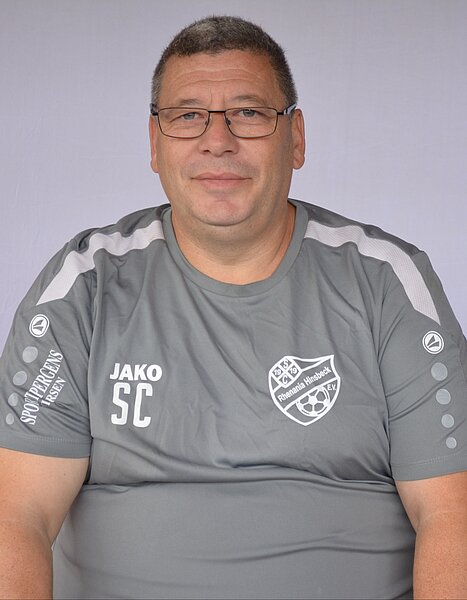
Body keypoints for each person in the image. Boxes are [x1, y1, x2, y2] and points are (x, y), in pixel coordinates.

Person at [0, 15, 466, 599]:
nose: (216, 140)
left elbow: (452, 514)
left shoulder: (388, 281)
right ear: (154, 143)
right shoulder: (83, 287)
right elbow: (16, 517)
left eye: (248, 113)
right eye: (186, 116)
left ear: (296, 138)